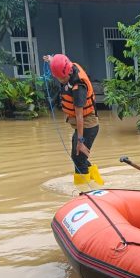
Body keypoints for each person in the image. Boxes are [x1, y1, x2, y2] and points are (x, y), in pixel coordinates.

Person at [44, 54, 103, 186]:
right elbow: (61, 63)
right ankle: (94, 179)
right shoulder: (70, 67)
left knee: (78, 159)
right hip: (81, 126)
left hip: (88, 125)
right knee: (78, 157)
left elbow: (79, 116)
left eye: (62, 78)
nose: (61, 81)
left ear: (67, 74)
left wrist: (81, 142)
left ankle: (84, 190)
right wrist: (51, 60)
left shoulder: (78, 88)